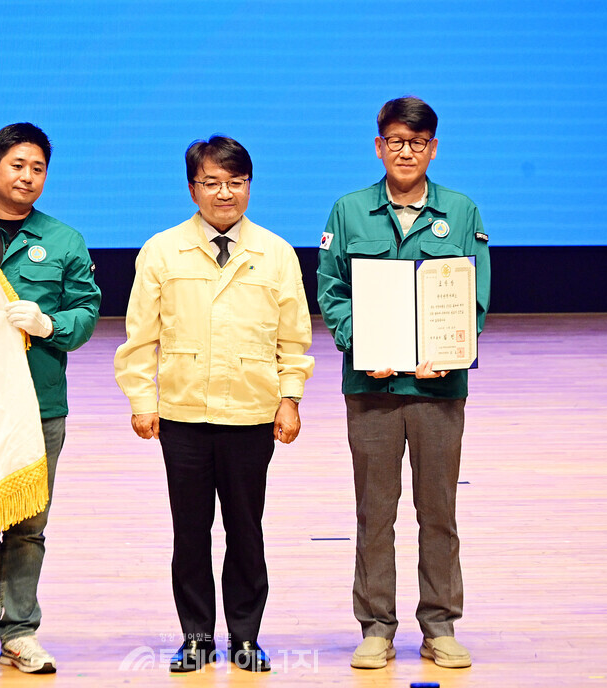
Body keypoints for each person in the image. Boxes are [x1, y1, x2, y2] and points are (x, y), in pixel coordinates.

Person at [114, 135, 314, 673]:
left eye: (236, 182)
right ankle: (197, 636)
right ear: (192, 188)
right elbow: (139, 340)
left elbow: (294, 341)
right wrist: (141, 399)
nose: (225, 193)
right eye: (213, 182)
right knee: (190, 529)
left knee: (247, 529)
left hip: (252, 414)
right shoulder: (161, 250)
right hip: (182, 415)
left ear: (249, 186)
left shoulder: (276, 253)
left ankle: (246, 636)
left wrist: (289, 399)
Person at [316, 97, 490, 670]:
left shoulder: (461, 211)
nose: (406, 151)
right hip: (372, 390)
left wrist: (453, 350)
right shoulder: (349, 210)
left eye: (417, 142)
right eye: (395, 141)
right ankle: (376, 627)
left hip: (439, 390)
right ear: (378, 146)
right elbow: (332, 292)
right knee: (375, 511)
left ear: (433, 148)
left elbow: (475, 297)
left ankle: (439, 625)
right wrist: (361, 344)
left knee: (438, 511)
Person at [0, 122, 101, 675]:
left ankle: (20, 632)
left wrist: (48, 323)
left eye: (38, 168)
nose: (28, 176)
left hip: (39, 403)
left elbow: (86, 317)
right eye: (17, 165)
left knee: (29, 523)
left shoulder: (63, 241)